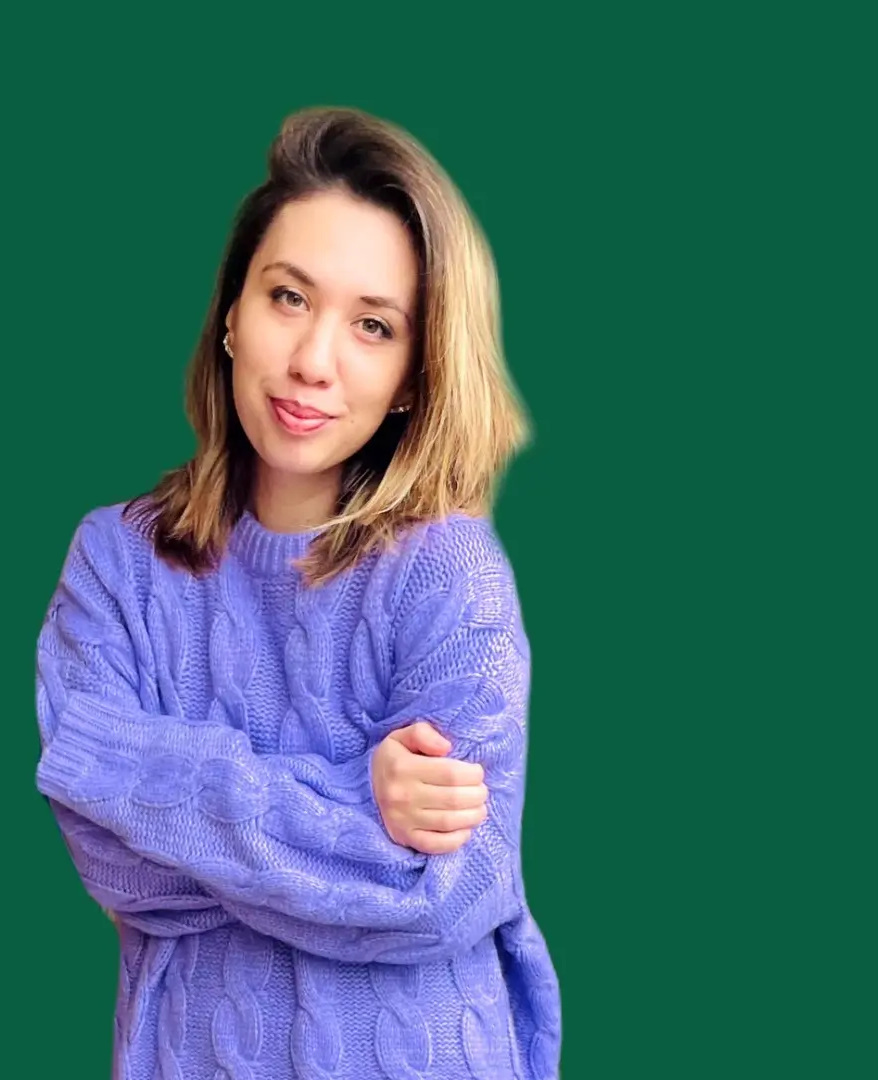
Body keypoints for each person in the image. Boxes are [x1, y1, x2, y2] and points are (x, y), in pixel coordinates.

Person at [34, 105, 562, 1080]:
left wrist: (142, 783)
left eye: (372, 325)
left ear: (413, 373)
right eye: (288, 297)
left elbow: (448, 891)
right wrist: (357, 793)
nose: (315, 360)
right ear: (231, 312)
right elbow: (107, 860)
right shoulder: (114, 562)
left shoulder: (451, 573)